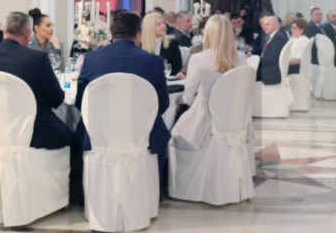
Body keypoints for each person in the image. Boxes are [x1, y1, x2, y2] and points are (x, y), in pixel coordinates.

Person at [0, 11, 83, 205]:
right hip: (33, 131)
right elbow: (57, 99)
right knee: (74, 139)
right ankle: (67, 195)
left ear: (4, 30)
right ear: (27, 34)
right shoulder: (37, 58)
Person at [75, 11, 171, 195]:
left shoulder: (91, 59)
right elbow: (163, 104)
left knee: (80, 128)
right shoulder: (153, 61)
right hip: (142, 133)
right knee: (159, 128)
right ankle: (150, 193)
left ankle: (88, 192)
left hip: (101, 133)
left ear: (112, 34)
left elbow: (81, 103)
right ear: (138, 35)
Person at [172, 15, 239, 150]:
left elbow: (188, 98)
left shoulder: (197, 59)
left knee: (173, 126)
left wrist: (176, 99)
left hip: (204, 120)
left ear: (208, 33)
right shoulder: (241, 58)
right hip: (234, 118)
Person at [141, 12, 183, 77]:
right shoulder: (140, 45)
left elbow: (176, 69)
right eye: (158, 24)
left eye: (163, 23)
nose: (163, 26)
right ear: (149, 28)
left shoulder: (172, 43)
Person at [27, 8, 64, 72]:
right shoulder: (27, 45)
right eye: (48, 26)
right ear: (36, 28)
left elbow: (61, 70)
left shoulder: (56, 44)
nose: (52, 29)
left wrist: (57, 50)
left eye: (52, 26)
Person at [256, 14, 288, 85]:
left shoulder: (279, 38)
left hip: (271, 72)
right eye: (264, 24)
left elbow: (272, 58)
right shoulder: (273, 35)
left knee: (247, 75)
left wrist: (257, 60)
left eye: (267, 24)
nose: (264, 27)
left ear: (276, 25)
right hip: (269, 68)